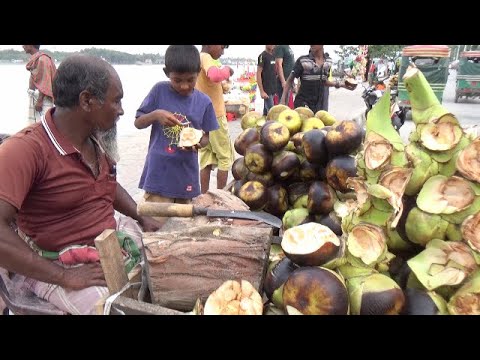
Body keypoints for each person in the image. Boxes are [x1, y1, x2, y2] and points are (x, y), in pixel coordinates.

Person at [0, 54, 161, 315]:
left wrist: (140, 216)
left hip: (105, 244)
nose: (121, 110)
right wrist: (63, 276)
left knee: (168, 260)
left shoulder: (95, 140)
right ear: (87, 100)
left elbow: (105, 185)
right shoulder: (26, 150)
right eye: (116, 100)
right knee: (116, 309)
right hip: (56, 264)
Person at [134, 45, 219, 223]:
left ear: (198, 72)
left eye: (190, 80)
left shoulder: (204, 102)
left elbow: (206, 139)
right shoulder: (159, 91)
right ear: (167, 73)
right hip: (158, 176)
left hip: (186, 176)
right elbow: (138, 122)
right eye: (177, 80)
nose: (184, 85)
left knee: (183, 229)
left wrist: (198, 143)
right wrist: (156, 114)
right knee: (154, 227)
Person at [195, 45, 235, 193]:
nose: (222, 52)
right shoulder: (207, 58)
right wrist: (227, 70)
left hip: (201, 117)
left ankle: (204, 195)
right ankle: (221, 195)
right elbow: (214, 75)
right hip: (215, 116)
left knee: (206, 159)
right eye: (222, 47)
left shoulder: (198, 58)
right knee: (225, 157)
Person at [280, 45, 356, 114]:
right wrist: (283, 99)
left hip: (319, 105)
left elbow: (324, 81)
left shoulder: (328, 62)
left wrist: (341, 85)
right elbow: (290, 80)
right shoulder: (303, 61)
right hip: (302, 104)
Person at [22, 45, 57, 124]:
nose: (22, 46)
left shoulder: (43, 59)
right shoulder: (37, 58)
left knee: (43, 125)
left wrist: (40, 100)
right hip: (35, 96)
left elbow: (45, 80)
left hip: (43, 99)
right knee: (34, 125)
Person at [256, 45, 277, 116]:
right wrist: (261, 91)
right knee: (272, 113)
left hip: (273, 89)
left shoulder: (274, 55)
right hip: (266, 90)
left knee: (266, 113)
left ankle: (263, 125)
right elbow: (258, 73)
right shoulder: (262, 56)